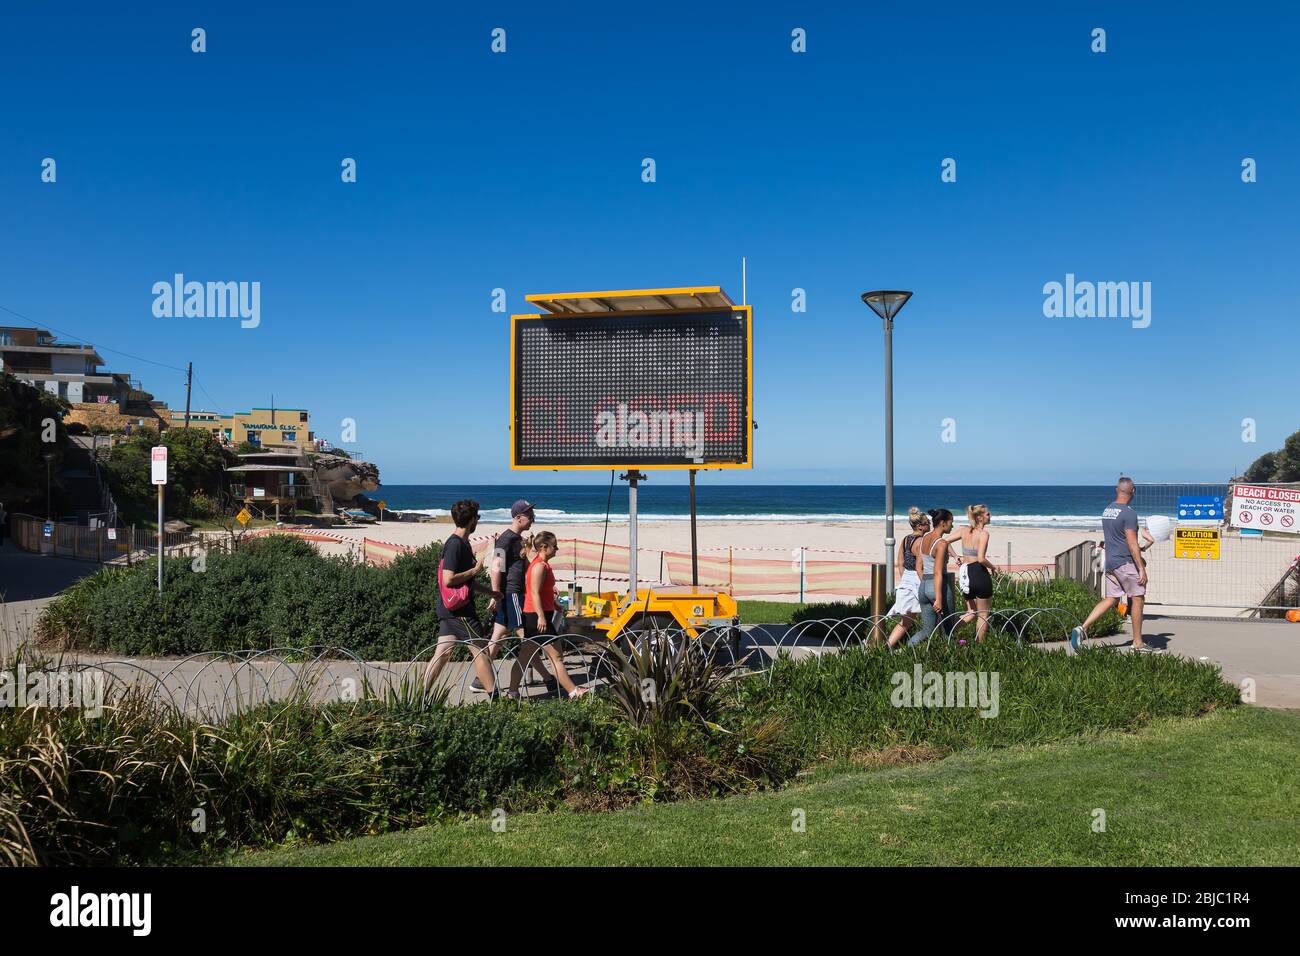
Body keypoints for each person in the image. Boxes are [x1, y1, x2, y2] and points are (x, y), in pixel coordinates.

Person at [423, 499, 502, 696]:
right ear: (472, 520)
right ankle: (497, 699)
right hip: (461, 612)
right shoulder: (455, 545)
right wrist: (475, 570)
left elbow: (465, 584)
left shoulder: (462, 544)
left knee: (442, 653)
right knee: (481, 652)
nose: (478, 521)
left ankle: (420, 697)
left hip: (450, 609)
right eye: (478, 517)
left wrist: (490, 592)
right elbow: (448, 579)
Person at [1070, 477, 1158, 653]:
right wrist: (1141, 568)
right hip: (1125, 562)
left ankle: (1083, 628)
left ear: (1116, 490)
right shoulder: (1129, 513)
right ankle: (1138, 643)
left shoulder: (1108, 510)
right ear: (1132, 492)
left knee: (1112, 599)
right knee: (1138, 597)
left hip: (1110, 562)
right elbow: (1132, 544)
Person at [475, 500, 554, 694]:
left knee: (498, 635)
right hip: (511, 594)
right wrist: (495, 593)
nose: (533, 519)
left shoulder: (518, 539)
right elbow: (496, 566)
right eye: (529, 515)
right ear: (518, 518)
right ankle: (546, 678)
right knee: (527, 638)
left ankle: (479, 679)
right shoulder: (506, 539)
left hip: (511, 594)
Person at [520, 531, 589, 699]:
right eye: (555, 546)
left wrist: (554, 603)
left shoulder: (542, 564)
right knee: (556, 657)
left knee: (524, 657)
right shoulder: (539, 566)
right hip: (537, 618)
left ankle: (513, 692)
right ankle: (573, 692)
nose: (557, 550)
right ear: (544, 547)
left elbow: (541, 592)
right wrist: (542, 617)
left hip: (535, 615)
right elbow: (534, 593)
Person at [885, 508, 931, 649]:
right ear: (920, 526)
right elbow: (920, 567)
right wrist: (926, 584)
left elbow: (900, 561)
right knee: (929, 617)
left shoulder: (906, 539)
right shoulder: (922, 541)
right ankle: (913, 646)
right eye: (927, 522)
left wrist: (904, 577)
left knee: (907, 621)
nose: (929, 524)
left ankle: (888, 647)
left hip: (907, 579)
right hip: (917, 580)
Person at [912, 509, 957, 646]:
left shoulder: (924, 538)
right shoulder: (941, 544)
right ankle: (949, 660)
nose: (952, 526)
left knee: (927, 631)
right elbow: (938, 572)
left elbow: (918, 566)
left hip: (924, 585)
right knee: (949, 629)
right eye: (951, 522)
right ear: (943, 523)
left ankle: (907, 650)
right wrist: (938, 598)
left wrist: (926, 586)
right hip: (938, 587)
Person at [954, 505, 996, 641]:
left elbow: (943, 541)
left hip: (965, 574)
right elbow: (981, 558)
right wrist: (993, 567)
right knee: (983, 614)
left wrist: (955, 556)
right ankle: (980, 648)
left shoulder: (963, 530)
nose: (990, 516)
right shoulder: (984, 534)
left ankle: (946, 631)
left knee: (971, 612)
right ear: (979, 517)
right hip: (978, 573)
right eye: (988, 514)